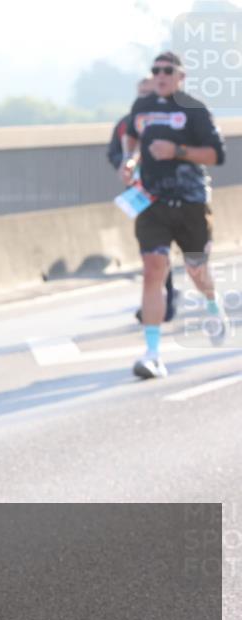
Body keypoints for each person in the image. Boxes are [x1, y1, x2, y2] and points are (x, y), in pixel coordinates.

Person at [119, 52, 229, 379]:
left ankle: (212, 304)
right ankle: (152, 354)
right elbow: (131, 137)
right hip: (152, 202)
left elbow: (216, 155)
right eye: (156, 70)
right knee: (154, 269)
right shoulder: (142, 108)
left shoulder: (194, 109)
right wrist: (129, 160)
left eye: (168, 70)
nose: (161, 75)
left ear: (181, 76)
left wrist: (177, 151)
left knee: (197, 271)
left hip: (191, 203)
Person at [108, 77, 178, 323]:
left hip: (174, 196)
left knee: (169, 252)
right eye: (140, 93)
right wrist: (126, 166)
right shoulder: (127, 124)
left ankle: (168, 297)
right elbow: (115, 151)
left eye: (148, 93)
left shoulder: (174, 120)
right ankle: (160, 302)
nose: (144, 98)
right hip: (142, 195)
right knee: (152, 253)